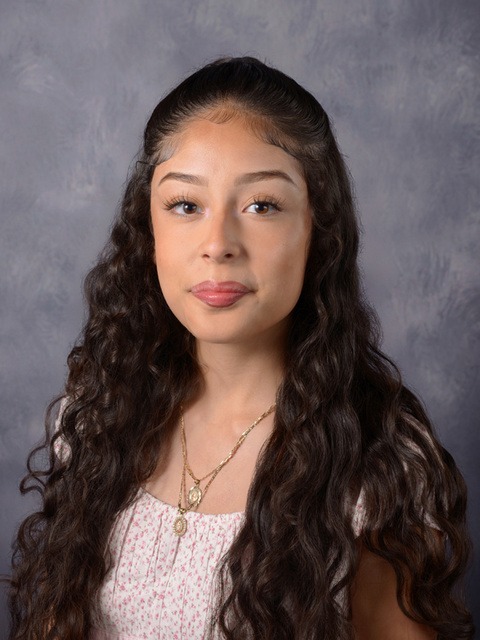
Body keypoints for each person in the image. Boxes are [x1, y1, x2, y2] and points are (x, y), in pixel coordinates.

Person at [8, 57, 474, 640]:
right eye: (186, 205)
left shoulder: (378, 459)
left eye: (262, 205)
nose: (218, 244)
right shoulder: (96, 413)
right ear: (148, 230)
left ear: (318, 229)